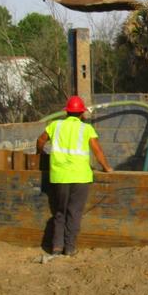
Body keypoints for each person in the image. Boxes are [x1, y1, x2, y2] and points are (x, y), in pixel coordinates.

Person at [36, 95, 113, 256]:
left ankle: (56, 247)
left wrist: (41, 154)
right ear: (81, 113)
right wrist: (106, 168)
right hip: (80, 177)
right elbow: (97, 150)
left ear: (67, 112)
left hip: (59, 176)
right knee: (74, 213)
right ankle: (69, 248)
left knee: (59, 212)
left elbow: (41, 140)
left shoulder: (55, 125)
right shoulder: (86, 129)